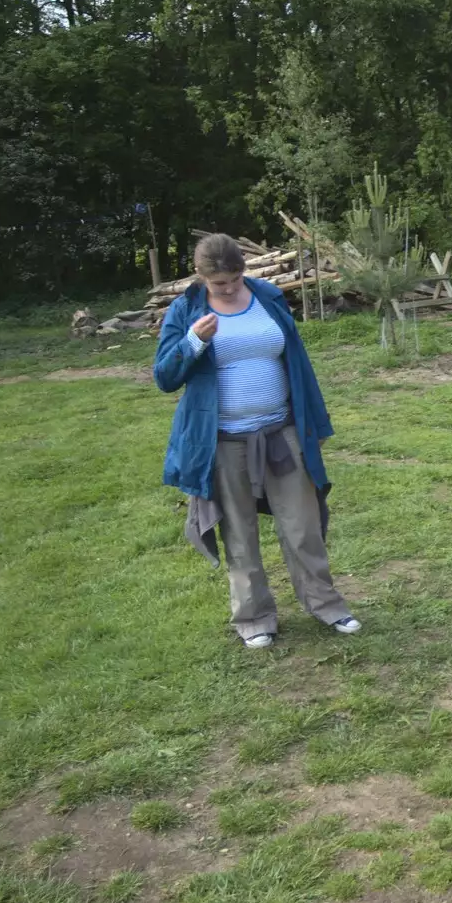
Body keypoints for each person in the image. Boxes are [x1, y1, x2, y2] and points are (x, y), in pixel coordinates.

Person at [154, 233, 360, 648]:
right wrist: (194, 341)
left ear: (243, 272)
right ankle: (254, 618)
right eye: (219, 284)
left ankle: (326, 605)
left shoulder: (267, 297)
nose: (228, 289)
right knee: (239, 533)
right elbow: (164, 376)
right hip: (224, 441)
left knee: (303, 526)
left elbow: (298, 364)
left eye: (233, 280)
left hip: (281, 433)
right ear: (200, 277)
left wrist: (315, 426)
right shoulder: (186, 310)